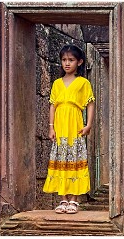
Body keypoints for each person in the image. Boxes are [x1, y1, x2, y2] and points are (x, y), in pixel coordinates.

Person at [43, 44, 95, 214]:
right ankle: (63, 199)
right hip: (60, 125)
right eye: (64, 60)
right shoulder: (57, 83)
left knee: (74, 159)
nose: (67, 63)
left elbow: (90, 103)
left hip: (75, 125)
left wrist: (88, 125)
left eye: (71, 60)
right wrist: (51, 127)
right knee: (61, 159)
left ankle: (74, 200)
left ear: (79, 62)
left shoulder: (83, 83)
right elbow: (52, 106)